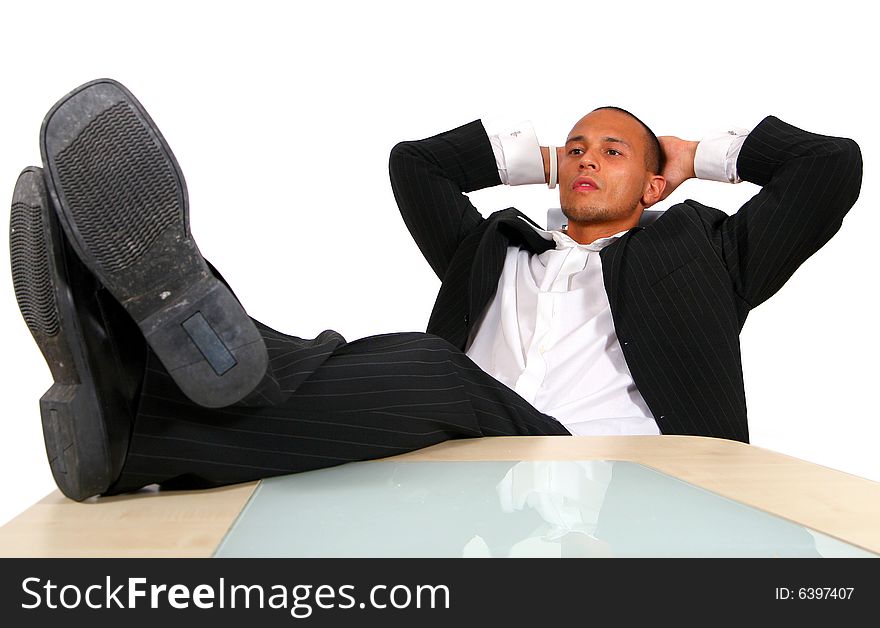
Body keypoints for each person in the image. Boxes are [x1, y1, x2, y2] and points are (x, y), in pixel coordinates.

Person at [9, 79, 861, 503]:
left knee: (430, 370)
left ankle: (154, 340)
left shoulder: (705, 249)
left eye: (611, 150)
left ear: (650, 184)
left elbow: (831, 168)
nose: (585, 158)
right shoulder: (494, 246)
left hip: (609, 465)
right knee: (320, 360)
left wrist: (693, 150)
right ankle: (131, 408)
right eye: (574, 148)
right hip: (449, 453)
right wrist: (538, 163)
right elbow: (413, 165)